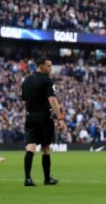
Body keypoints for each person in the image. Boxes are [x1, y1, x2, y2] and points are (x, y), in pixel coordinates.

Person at [21, 59, 65, 187]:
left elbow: (25, 101)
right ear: (41, 66)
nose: (51, 68)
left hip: (30, 116)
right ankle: (47, 179)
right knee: (46, 147)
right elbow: (52, 99)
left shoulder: (26, 80)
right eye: (48, 66)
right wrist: (60, 118)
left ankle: (28, 179)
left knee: (31, 146)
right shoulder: (47, 80)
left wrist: (30, 113)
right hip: (44, 117)